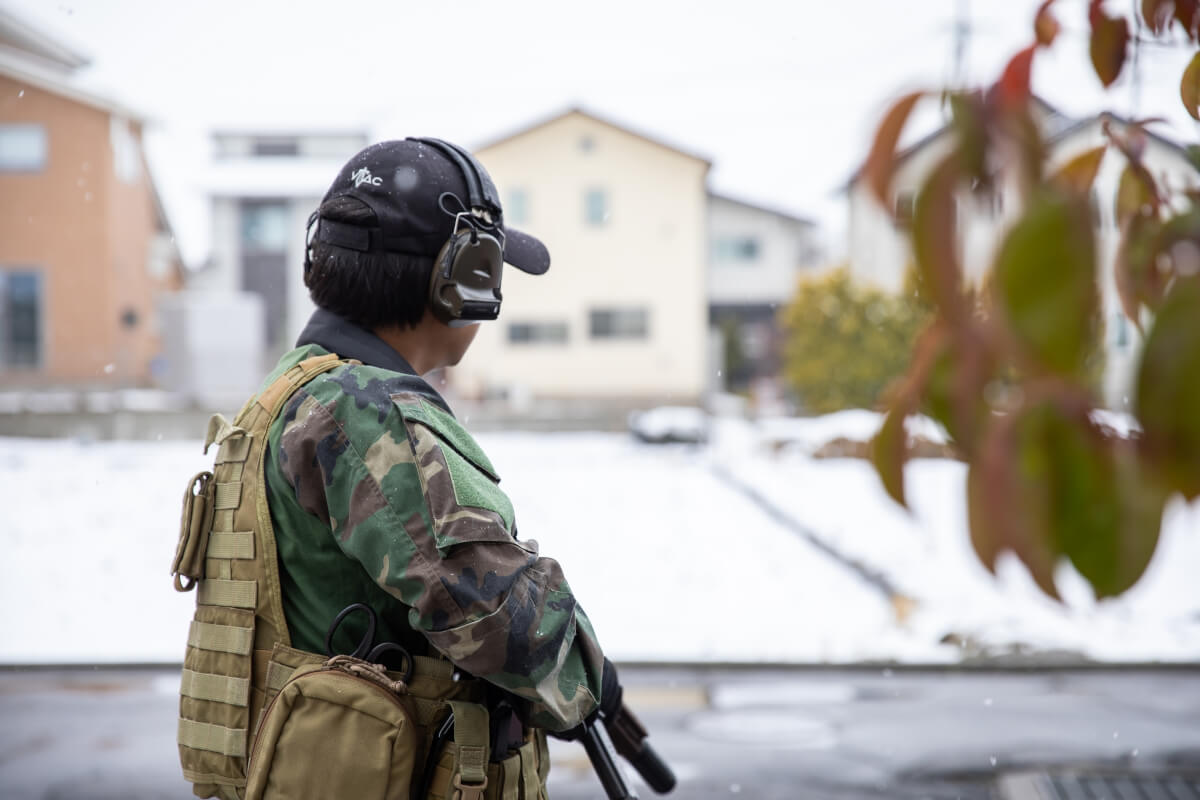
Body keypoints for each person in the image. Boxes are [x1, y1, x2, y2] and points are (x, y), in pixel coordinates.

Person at [173, 138, 619, 800]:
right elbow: (505, 625)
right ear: (462, 275)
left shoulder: (289, 389)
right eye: (491, 266)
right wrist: (589, 677)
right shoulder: (366, 412)